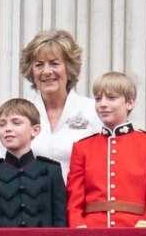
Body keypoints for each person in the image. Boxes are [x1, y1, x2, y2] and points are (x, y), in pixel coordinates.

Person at [65, 72, 146, 229]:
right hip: (92, 232)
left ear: (130, 103)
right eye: (98, 99)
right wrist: (79, 226)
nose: (102, 104)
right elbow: (74, 199)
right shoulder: (82, 147)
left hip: (136, 230)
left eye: (111, 98)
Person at [17, 29, 99, 175]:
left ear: (69, 68)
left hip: (77, 197)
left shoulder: (94, 111)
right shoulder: (19, 112)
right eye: (39, 65)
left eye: (54, 63)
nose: (46, 71)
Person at [0, 98, 66, 227]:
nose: (7, 129)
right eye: (2, 124)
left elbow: (60, 221)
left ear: (35, 130)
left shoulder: (52, 172)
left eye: (16, 123)